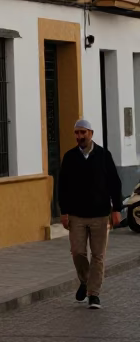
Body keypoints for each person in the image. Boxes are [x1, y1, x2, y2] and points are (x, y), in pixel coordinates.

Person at [58, 118, 123, 309]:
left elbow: (114, 183)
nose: (79, 137)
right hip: (76, 215)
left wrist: (117, 209)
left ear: (91, 133)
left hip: (100, 215)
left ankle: (94, 294)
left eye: (83, 133)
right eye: (77, 133)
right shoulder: (70, 157)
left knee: (98, 255)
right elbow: (62, 187)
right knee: (77, 252)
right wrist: (64, 212)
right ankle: (85, 280)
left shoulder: (103, 155)